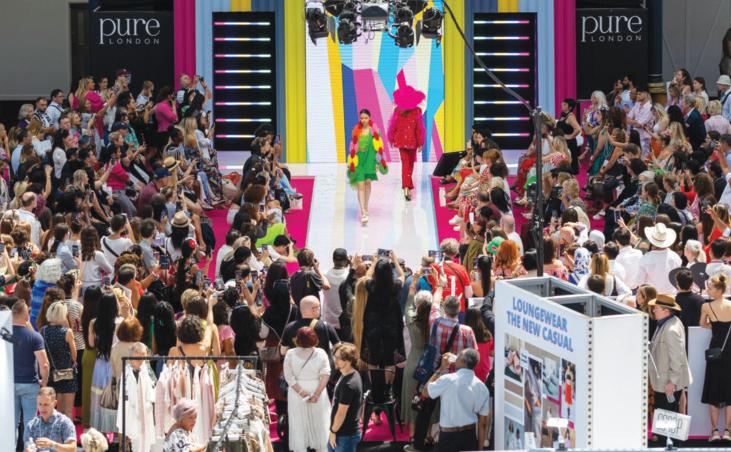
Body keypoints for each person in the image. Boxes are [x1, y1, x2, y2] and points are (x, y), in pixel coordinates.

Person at [423, 349, 490, 452]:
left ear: (463, 362)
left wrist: (441, 369)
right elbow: (483, 423)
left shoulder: (447, 379)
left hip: (447, 437)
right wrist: (480, 449)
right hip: (469, 436)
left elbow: (425, 392)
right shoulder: (482, 387)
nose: (455, 357)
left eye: (458, 356)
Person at [283, 326, 332, 452]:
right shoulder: (321, 353)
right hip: (317, 389)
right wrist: (316, 394)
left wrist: (302, 392)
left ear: (297, 339)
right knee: (320, 423)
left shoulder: (290, 353)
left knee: (298, 425)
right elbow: (325, 374)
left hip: (296, 393)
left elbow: (289, 377)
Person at [648, 294, 692, 428]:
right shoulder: (670, 322)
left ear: (666, 311)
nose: (653, 310)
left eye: (656, 308)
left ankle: (668, 441)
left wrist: (672, 382)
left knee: (667, 424)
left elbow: (677, 358)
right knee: (667, 421)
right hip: (665, 381)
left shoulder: (670, 329)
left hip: (667, 383)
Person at [12, 301, 49, 440]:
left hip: (9, 383)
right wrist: (44, 383)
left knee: (11, 423)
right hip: (30, 383)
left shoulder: (4, 335)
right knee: (30, 422)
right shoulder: (34, 337)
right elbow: (44, 364)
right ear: (27, 315)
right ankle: (29, 448)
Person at [700, 274, 731, 442]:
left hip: (715, 350)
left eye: (710, 288)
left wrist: (714, 325)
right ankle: (727, 431)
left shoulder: (706, 306)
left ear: (719, 290)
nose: (707, 291)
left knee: (713, 389)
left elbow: (702, 324)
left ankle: (714, 432)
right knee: (729, 390)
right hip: (729, 350)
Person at [387, 72, 426, 201]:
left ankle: (406, 187)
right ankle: (406, 187)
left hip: (401, 141)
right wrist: (420, 142)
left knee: (405, 163)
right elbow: (419, 128)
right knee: (410, 163)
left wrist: (392, 138)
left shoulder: (398, 110)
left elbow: (393, 126)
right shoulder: (417, 111)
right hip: (412, 142)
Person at [347, 109, 388, 224]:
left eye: (365, 118)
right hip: (359, 160)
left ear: (369, 118)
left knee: (368, 183)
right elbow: (352, 147)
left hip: (370, 160)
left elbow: (379, 148)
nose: (363, 120)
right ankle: (363, 212)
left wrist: (377, 163)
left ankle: (366, 205)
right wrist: (352, 163)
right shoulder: (356, 130)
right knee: (360, 185)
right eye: (361, 118)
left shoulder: (375, 130)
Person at [41, 301, 78, 420]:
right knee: (68, 411)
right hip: (68, 374)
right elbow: (74, 355)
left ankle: (56, 431)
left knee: (57, 410)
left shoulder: (44, 331)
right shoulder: (67, 332)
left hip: (52, 374)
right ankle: (68, 432)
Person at [328, 342, 363, 452]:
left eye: (339, 358)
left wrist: (333, 432)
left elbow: (341, 413)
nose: (335, 360)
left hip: (344, 436)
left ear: (349, 360)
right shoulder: (349, 374)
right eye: (335, 357)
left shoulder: (349, 384)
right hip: (343, 433)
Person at [22, 387, 77, 452]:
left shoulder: (64, 422)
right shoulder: (31, 425)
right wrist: (28, 450)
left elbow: (73, 449)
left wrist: (52, 445)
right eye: (40, 404)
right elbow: (27, 445)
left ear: (54, 403)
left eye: (46, 404)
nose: (42, 408)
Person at [636, 223, 682, 294]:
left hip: (652, 297)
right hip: (671, 297)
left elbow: (639, 281)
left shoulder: (646, 258)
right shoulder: (676, 257)